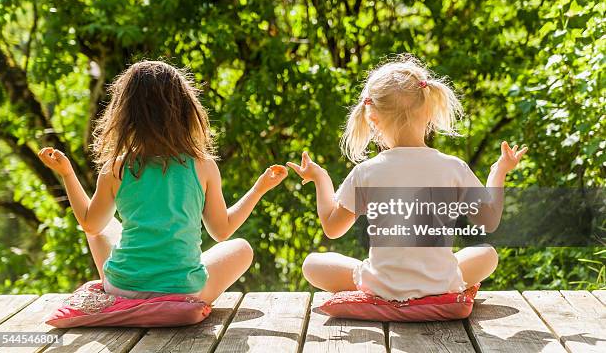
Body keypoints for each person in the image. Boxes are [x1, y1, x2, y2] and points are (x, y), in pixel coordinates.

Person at [38, 60, 287, 304]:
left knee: (101, 228)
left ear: (125, 115)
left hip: (123, 289)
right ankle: (173, 296)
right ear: (186, 111)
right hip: (184, 293)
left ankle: (118, 293)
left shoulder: (116, 167)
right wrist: (259, 188)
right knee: (241, 248)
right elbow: (221, 231)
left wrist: (68, 174)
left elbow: (90, 225)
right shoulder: (203, 165)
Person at [288, 54, 527, 301]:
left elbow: (332, 227)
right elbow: (489, 221)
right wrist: (498, 172)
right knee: (488, 254)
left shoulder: (367, 171)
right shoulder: (454, 167)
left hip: (381, 289)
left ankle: (386, 288)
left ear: (372, 118)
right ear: (430, 108)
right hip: (440, 285)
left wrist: (320, 177)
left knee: (312, 264)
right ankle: (430, 284)